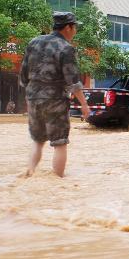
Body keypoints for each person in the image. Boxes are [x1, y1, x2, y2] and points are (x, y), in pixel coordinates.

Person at [19, 11, 90, 177]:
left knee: (38, 141)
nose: (75, 31)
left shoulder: (33, 42)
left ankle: (29, 174)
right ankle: (57, 181)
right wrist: (84, 104)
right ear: (68, 27)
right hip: (55, 101)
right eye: (75, 28)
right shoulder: (66, 48)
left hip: (33, 98)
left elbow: (23, 74)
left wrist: (29, 97)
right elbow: (73, 81)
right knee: (60, 143)